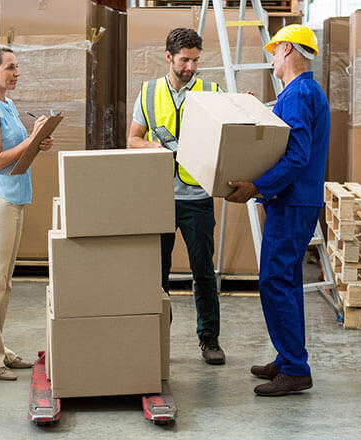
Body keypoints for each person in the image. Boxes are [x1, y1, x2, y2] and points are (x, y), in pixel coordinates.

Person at [225, 24, 329, 396]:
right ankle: (288, 359)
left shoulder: (299, 93)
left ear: (286, 49)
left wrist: (257, 186)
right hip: (294, 199)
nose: (272, 59)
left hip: (291, 200)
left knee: (275, 280)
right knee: (284, 281)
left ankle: (296, 368)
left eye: (273, 52)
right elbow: (280, 139)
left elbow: (296, 155)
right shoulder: (300, 92)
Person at [127, 28, 225, 365]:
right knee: (158, 272)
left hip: (198, 196)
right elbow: (132, 140)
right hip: (160, 197)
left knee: (203, 271)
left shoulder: (212, 91)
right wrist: (153, 146)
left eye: (195, 60)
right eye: (184, 60)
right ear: (168, 57)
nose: (190, 66)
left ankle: (209, 338)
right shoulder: (149, 92)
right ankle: (158, 336)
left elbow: (231, 132)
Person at [0, 44, 53, 380]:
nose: (17, 73)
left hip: (14, 196)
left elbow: (17, 155)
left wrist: (38, 142)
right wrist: (31, 136)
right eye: (10, 67)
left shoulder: (7, 104)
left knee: (4, 282)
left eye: (17, 67)